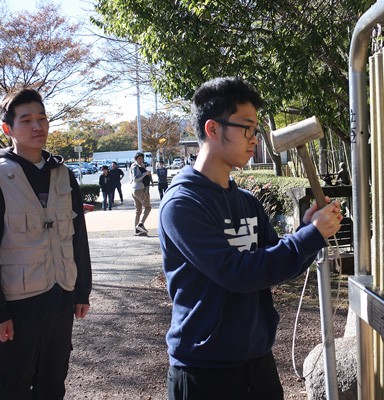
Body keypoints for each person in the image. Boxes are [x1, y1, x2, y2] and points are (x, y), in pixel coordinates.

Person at [158, 77, 342, 400]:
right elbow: (237, 273)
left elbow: (275, 265)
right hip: (203, 369)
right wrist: (309, 237)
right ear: (213, 129)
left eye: (256, 129)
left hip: (257, 362)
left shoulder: (246, 201)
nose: (255, 139)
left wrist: (308, 233)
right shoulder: (182, 204)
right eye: (247, 128)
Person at [0, 88, 92, 399]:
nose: (38, 126)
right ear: (7, 129)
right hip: (16, 307)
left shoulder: (64, 175)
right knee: (11, 385)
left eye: (42, 118)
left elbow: (79, 238)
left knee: (53, 383)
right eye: (26, 120)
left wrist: (82, 291)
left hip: (60, 300)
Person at [131, 152, 152, 236]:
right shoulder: (135, 167)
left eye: (142, 159)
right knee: (148, 207)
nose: (141, 161)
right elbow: (136, 179)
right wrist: (145, 173)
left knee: (138, 211)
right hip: (139, 189)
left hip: (134, 190)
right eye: (139, 159)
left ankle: (137, 230)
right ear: (135, 159)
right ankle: (140, 224)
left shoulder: (135, 166)